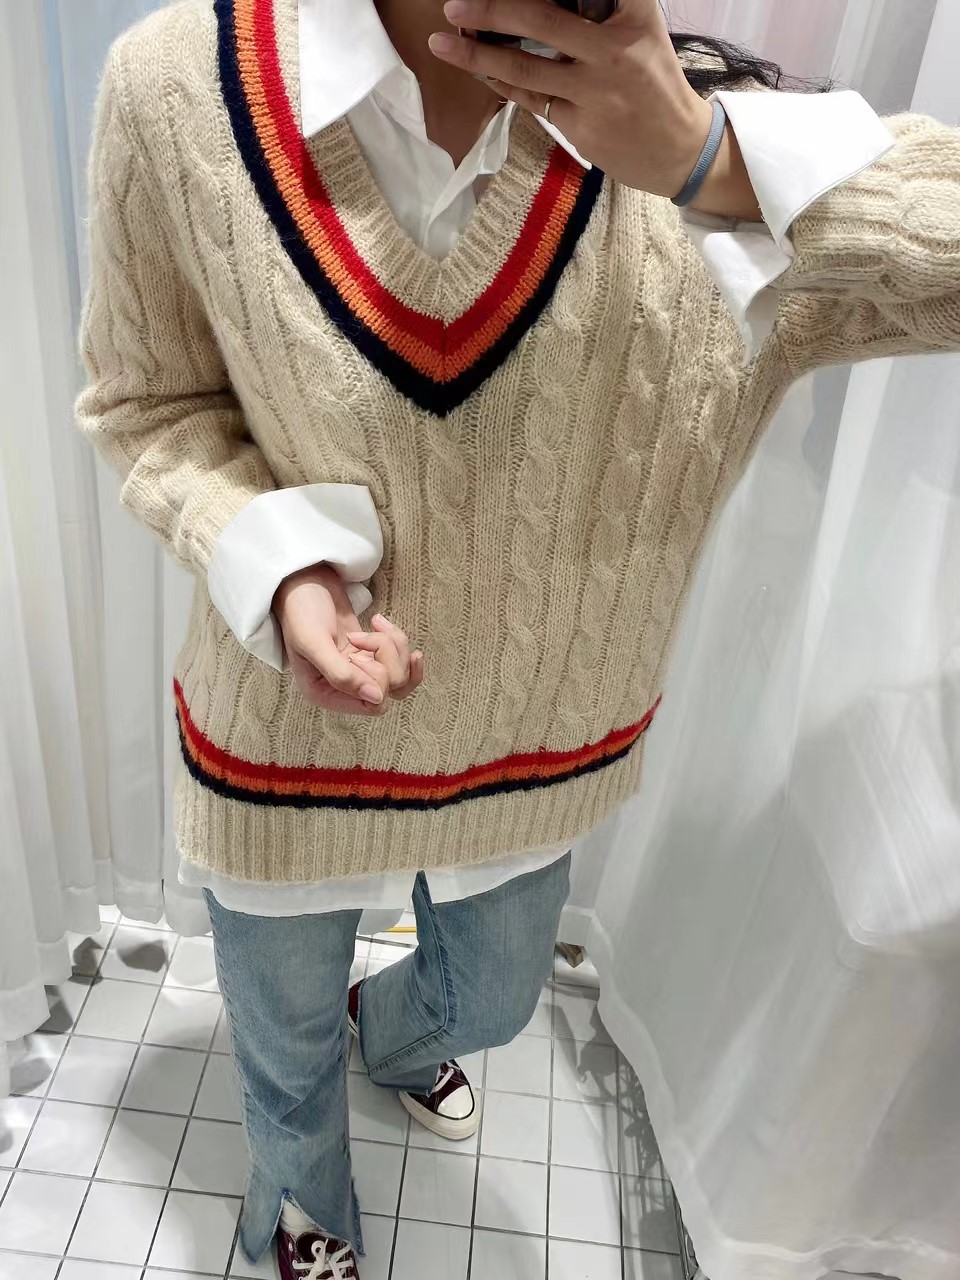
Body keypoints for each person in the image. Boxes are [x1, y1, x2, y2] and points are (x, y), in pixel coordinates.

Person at [77, 0, 960, 1274]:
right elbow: (148, 404)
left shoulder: (713, 143)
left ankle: (391, 1029)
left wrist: (704, 160)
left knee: (490, 997)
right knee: (282, 1044)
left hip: (540, 751)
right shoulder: (178, 84)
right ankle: (303, 1196)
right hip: (280, 736)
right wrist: (275, 564)